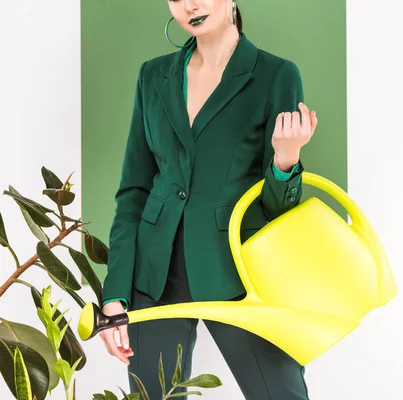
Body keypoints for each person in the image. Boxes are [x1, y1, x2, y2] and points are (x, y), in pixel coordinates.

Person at [97, 1, 318, 399]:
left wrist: (287, 159)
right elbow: (133, 190)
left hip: (239, 272)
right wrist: (114, 297)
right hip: (155, 274)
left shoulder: (276, 75)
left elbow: (278, 212)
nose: (190, 6)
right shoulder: (153, 76)